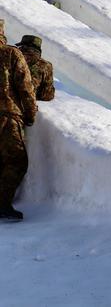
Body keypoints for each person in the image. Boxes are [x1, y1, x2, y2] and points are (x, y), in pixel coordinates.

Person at [0, 20, 38, 221]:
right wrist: (30, 115)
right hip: (7, 115)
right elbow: (26, 86)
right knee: (16, 160)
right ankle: (2, 204)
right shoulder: (11, 53)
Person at [16, 35, 55, 102]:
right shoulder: (46, 66)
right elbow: (47, 95)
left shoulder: (11, 56)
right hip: (27, 104)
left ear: (23, 46)